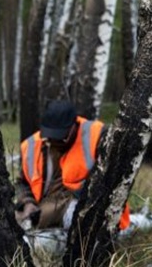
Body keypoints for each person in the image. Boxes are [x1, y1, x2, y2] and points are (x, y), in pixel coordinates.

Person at [15, 99, 130, 231]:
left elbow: (110, 180)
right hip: (39, 208)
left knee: (75, 216)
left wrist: (53, 211)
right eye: (50, 136)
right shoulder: (30, 146)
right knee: (16, 222)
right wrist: (27, 202)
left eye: (60, 137)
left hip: (82, 203)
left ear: (74, 126)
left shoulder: (99, 136)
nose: (54, 141)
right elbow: (22, 183)